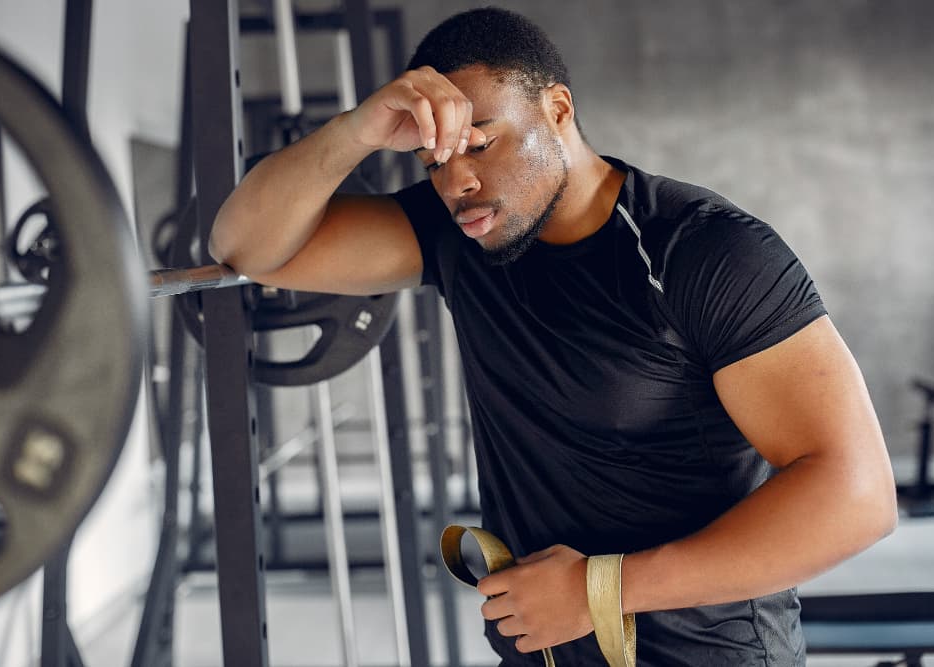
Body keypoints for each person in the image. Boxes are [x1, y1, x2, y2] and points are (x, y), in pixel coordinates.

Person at [209, 7, 897, 665]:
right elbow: (246, 247)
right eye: (432, 161)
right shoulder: (457, 234)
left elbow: (855, 495)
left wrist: (600, 590)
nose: (458, 181)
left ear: (558, 110)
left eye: (480, 143)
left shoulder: (701, 252)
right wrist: (355, 130)